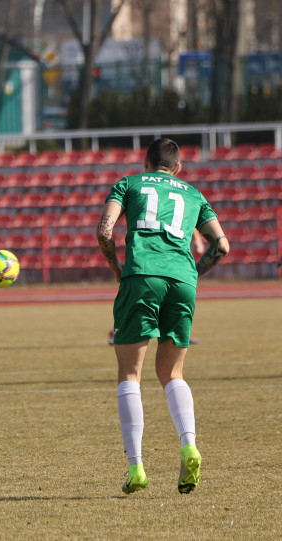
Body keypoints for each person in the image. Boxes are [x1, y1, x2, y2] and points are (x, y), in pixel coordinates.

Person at [96, 138, 229, 495]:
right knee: (172, 373)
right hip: (183, 279)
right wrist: (193, 274)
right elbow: (223, 245)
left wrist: (116, 268)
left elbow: (104, 231)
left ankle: (136, 467)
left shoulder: (129, 183)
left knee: (130, 374)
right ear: (178, 168)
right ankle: (188, 445)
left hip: (142, 275)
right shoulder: (194, 193)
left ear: (145, 162)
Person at [107, 230, 206, 346]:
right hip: (152, 255)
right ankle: (116, 331)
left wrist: (197, 240)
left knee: (165, 298)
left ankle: (177, 333)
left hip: (170, 255)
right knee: (143, 301)